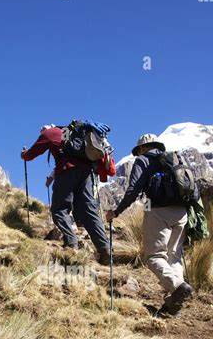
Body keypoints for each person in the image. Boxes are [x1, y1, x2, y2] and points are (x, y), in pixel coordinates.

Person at [106, 133, 195, 314]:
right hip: (182, 212)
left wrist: (116, 211)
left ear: (142, 148)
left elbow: (133, 190)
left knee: (153, 256)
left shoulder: (143, 160)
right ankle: (173, 302)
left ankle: (178, 287)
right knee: (174, 256)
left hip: (158, 211)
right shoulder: (175, 158)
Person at [21, 123, 114, 265]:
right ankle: (105, 249)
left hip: (67, 171)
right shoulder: (72, 134)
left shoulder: (50, 133)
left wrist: (24, 154)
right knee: (88, 211)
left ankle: (71, 243)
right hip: (87, 174)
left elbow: (31, 154)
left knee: (59, 209)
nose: (41, 132)